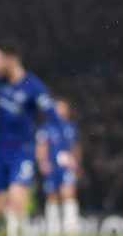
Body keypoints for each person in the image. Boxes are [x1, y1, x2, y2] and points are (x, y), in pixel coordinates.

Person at [0, 43, 64, 236]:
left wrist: (60, 148)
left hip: (22, 151)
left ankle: (16, 230)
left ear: (10, 59)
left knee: (16, 197)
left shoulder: (33, 86)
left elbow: (53, 116)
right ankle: (12, 228)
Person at [37, 98, 81, 236]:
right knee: (52, 196)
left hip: (66, 166)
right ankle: (52, 229)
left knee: (68, 193)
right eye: (57, 108)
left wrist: (76, 163)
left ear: (68, 111)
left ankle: (71, 228)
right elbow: (41, 147)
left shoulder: (71, 127)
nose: (59, 111)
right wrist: (42, 162)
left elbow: (75, 147)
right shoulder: (46, 128)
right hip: (51, 166)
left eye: (62, 108)